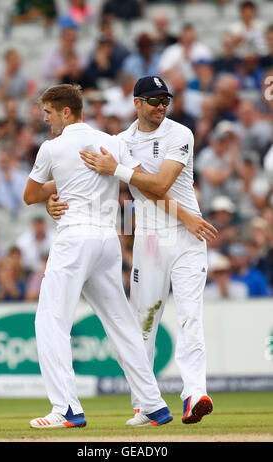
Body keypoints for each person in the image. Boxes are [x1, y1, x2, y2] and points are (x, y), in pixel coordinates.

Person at [55, 76, 217, 425]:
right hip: (151, 238)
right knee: (143, 324)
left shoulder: (179, 134)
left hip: (189, 236)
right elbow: (76, 176)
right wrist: (53, 202)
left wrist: (119, 171)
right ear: (137, 103)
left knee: (191, 316)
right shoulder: (120, 142)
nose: (161, 106)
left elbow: (159, 185)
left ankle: (195, 394)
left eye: (165, 100)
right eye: (154, 100)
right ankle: (144, 403)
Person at [23, 83, 174, 429]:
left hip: (74, 237)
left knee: (50, 321)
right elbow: (144, 180)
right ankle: (152, 404)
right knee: (122, 324)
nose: (45, 119)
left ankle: (66, 409)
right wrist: (69, 183)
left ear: (66, 111)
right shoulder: (114, 141)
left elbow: (29, 194)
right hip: (108, 239)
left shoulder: (52, 147)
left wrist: (52, 193)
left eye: (48, 112)